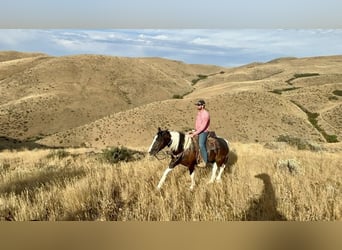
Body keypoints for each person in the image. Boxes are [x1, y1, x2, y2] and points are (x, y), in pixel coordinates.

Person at [189, 99, 210, 167]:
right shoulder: (199, 113)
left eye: (199, 105)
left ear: (203, 106)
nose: (197, 106)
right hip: (198, 131)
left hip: (203, 132)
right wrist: (193, 131)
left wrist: (194, 134)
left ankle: (205, 161)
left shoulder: (206, 114)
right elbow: (198, 124)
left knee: (201, 144)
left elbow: (202, 127)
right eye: (197, 105)